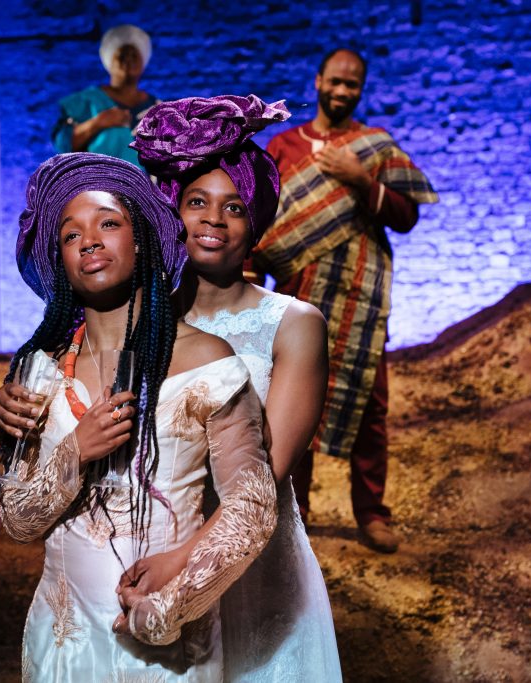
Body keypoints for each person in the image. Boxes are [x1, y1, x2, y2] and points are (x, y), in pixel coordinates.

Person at [0, 153, 277, 681]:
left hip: (166, 650)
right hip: (64, 645)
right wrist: (76, 452)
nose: (90, 241)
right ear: (62, 262)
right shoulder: (41, 371)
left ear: (140, 238)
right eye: (71, 236)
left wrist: (167, 610)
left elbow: (253, 507)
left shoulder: (208, 361)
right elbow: (16, 522)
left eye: (108, 224)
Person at [127, 94, 343, 681]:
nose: (213, 221)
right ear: (174, 211)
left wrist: (189, 559)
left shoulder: (294, 325)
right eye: (197, 202)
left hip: (250, 552)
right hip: (149, 537)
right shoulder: (142, 319)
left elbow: (267, 471)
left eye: (235, 207)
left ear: (256, 223)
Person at [253, 48, 439, 553]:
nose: (341, 91)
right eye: (334, 82)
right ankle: (296, 510)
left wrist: (360, 179)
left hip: (360, 300)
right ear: (317, 81)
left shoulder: (374, 148)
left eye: (351, 85)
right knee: (294, 405)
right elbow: (262, 223)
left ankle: (372, 514)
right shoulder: (284, 147)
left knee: (370, 406)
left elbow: (405, 217)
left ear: (361, 90)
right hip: (300, 299)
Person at [51, 24, 158, 167]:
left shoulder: (157, 108)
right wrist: (98, 123)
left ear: (143, 60)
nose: (128, 60)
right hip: (97, 185)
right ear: (109, 59)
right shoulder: (85, 102)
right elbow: (63, 145)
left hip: (146, 187)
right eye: (122, 55)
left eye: (134, 55)